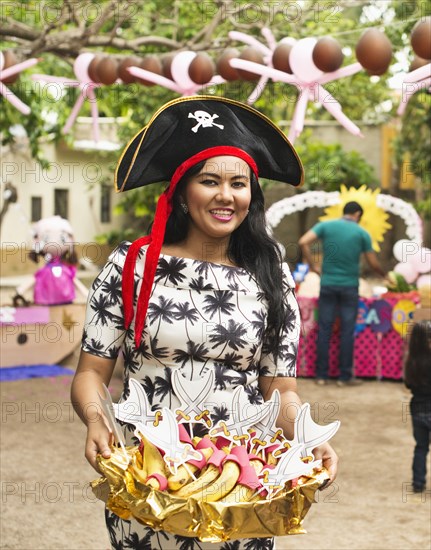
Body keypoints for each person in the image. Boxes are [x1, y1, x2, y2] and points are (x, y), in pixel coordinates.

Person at [71, 96, 338, 550]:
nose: (225, 196)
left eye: (238, 184)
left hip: (243, 487)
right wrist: (97, 421)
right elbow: (92, 373)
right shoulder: (132, 265)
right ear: (180, 191)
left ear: (251, 195)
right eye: (208, 181)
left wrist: (308, 439)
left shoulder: (270, 273)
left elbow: (280, 389)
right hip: (150, 481)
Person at [298, 201, 385, 386]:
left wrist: (314, 267)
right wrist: (385, 275)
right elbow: (373, 263)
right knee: (346, 331)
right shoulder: (362, 233)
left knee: (325, 329)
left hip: (327, 284)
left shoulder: (326, 226)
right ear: (358, 214)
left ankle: (321, 376)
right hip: (349, 287)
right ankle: (344, 377)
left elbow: (303, 241)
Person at [404, 320, 431, 493]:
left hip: (418, 410)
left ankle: (418, 483)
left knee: (421, 447)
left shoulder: (411, 362)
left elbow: (408, 385)